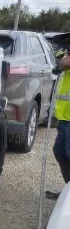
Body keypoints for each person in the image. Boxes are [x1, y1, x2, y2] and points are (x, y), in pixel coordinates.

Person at [47, 54, 70, 199]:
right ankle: (69, 191)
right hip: (65, 119)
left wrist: (60, 61)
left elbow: (65, 64)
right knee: (60, 151)